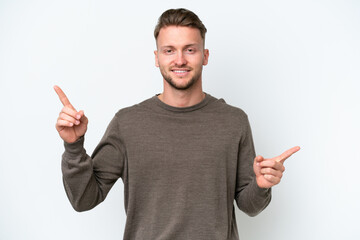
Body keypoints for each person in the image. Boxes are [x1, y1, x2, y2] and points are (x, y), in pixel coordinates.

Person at [54, 8, 300, 240]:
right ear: (157, 57)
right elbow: (84, 199)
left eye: (190, 50)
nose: (179, 60)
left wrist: (261, 185)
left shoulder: (233, 121)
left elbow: (249, 206)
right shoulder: (127, 123)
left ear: (205, 56)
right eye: (169, 50)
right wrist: (74, 146)